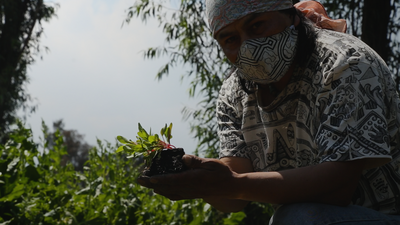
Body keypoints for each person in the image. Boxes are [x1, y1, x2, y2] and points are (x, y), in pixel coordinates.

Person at [138, 0, 400, 224]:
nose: (248, 47)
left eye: (256, 25)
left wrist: (231, 184)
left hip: (386, 214)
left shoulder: (345, 62)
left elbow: (339, 187)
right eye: (231, 39)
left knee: (297, 218)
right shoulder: (233, 94)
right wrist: (196, 179)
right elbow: (233, 192)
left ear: (291, 16)